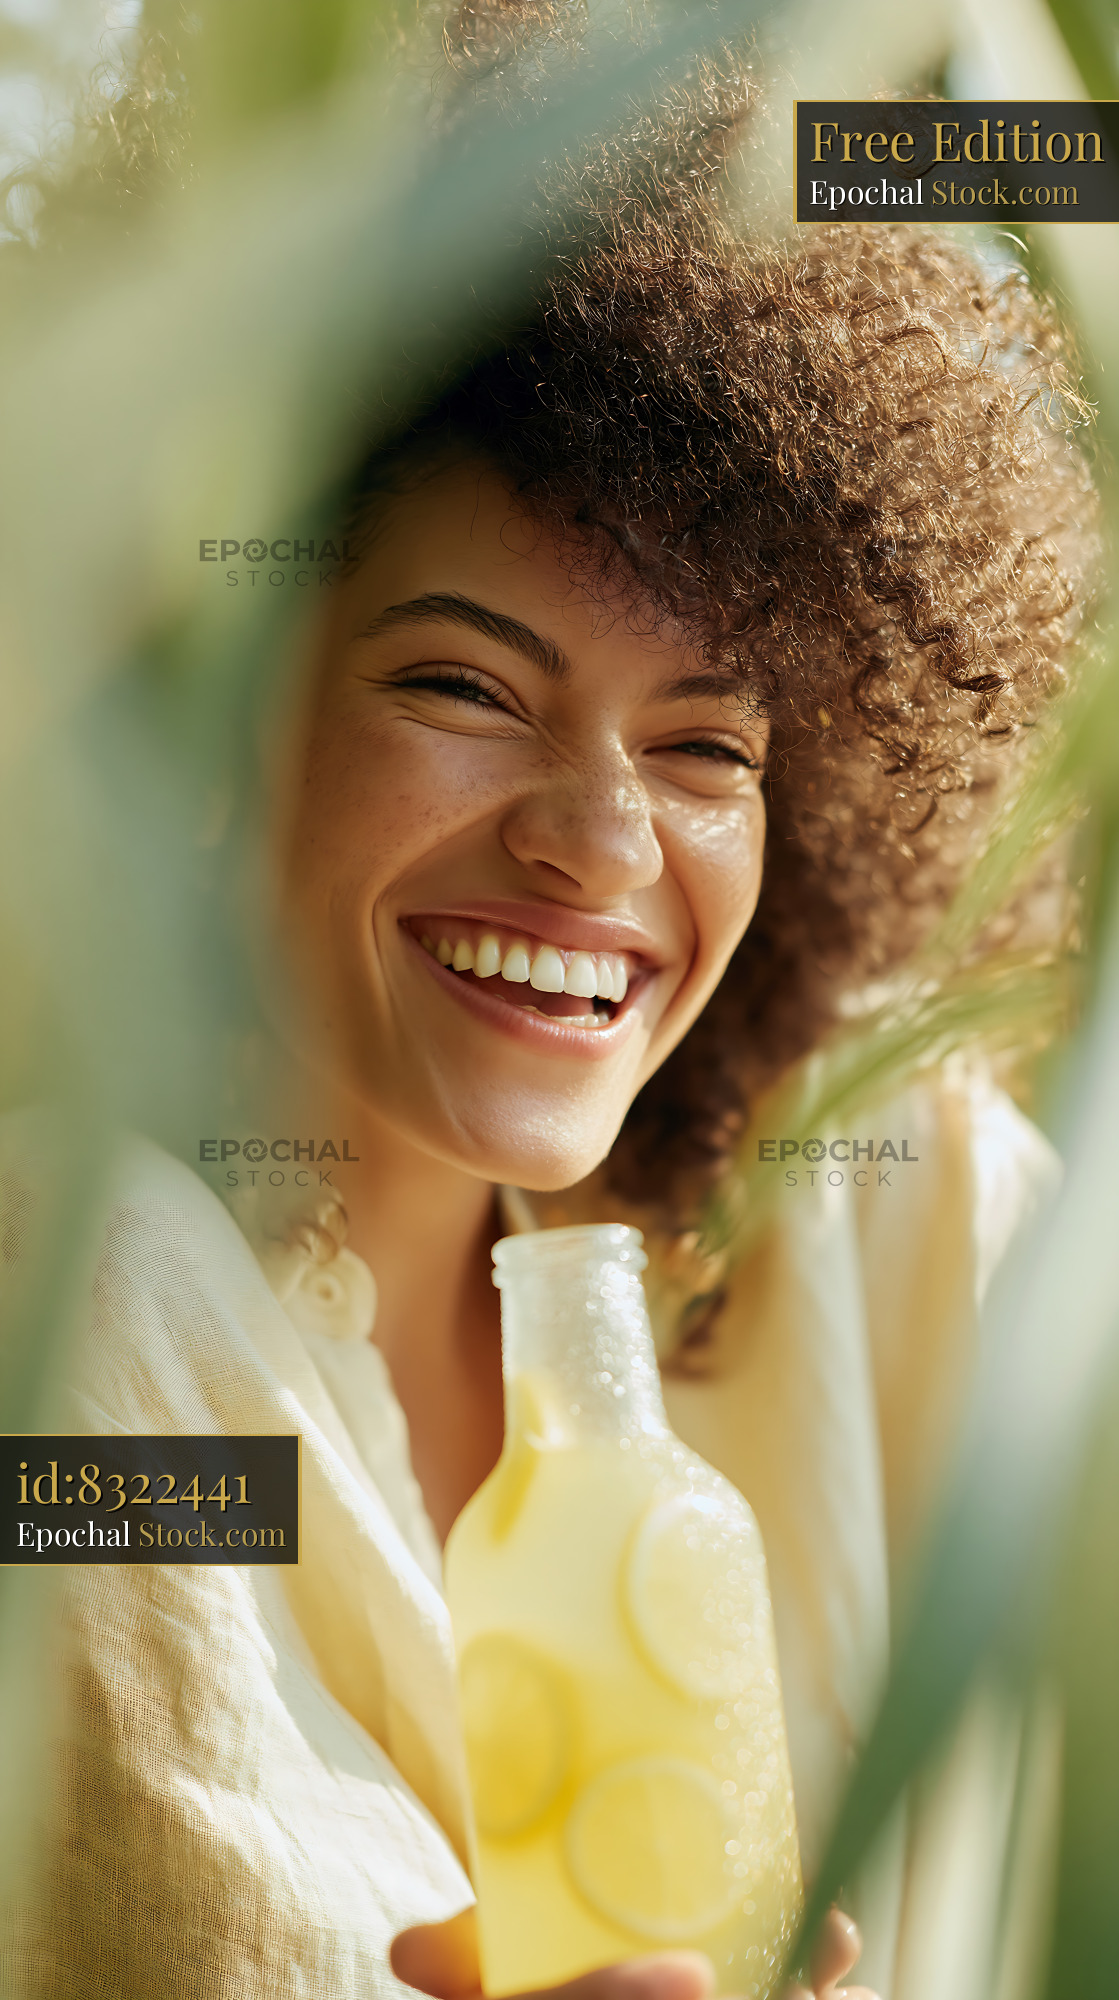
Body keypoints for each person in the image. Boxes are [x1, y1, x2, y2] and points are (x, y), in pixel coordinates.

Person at [0, 10, 1093, 2000]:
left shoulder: (872, 1223)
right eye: (462, 687)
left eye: (706, 747)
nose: (600, 842)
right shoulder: (67, 1314)